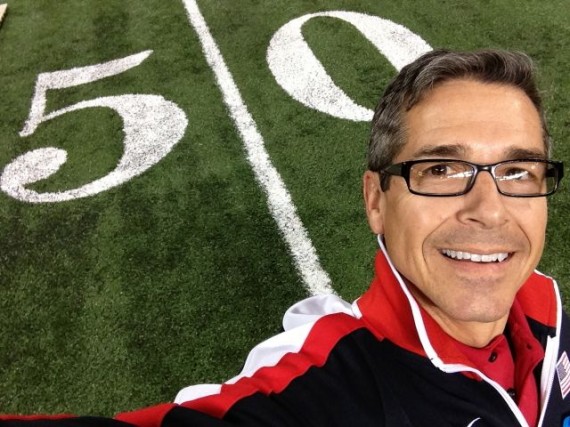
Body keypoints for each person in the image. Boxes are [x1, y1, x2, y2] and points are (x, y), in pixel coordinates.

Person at [2, 48, 568, 427]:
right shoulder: (317, 393)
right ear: (376, 199)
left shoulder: (548, 306)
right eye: (441, 170)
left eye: (518, 171)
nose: (490, 210)